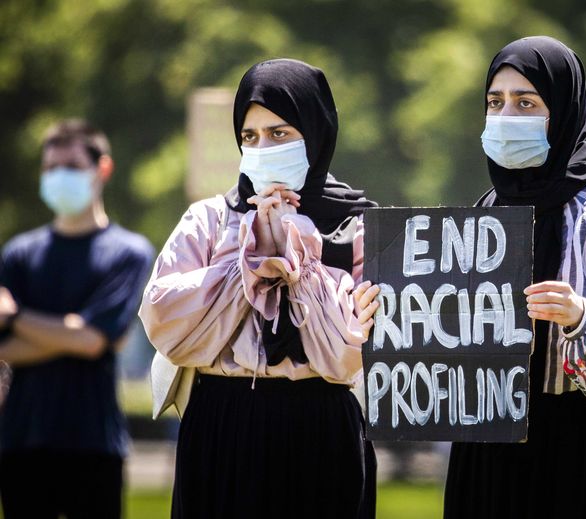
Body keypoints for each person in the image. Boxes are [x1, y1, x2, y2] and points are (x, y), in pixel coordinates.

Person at [440, 36, 586, 518]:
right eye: (495, 102)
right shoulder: (486, 209)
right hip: (483, 439)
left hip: (572, 443)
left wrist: (582, 316)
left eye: (526, 102)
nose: (506, 116)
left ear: (563, 109)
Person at [139, 58, 379, 519]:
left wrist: (298, 247)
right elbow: (165, 321)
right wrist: (249, 259)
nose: (263, 148)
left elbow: (348, 352)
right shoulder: (208, 219)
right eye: (250, 137)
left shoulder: (359, 228)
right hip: (221, 424)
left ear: (316, 132)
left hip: (322, 429)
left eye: (280, 134)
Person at [0, 119, 154, 519]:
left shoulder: (128, 253)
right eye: (50, 168)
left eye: (70, 166)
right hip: (21, 442)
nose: (58, 177)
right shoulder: (18, 254)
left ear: (102, 168)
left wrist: (15, 316)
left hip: (94, 445)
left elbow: (93, 341)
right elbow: (7, 351)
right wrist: (71, 332)